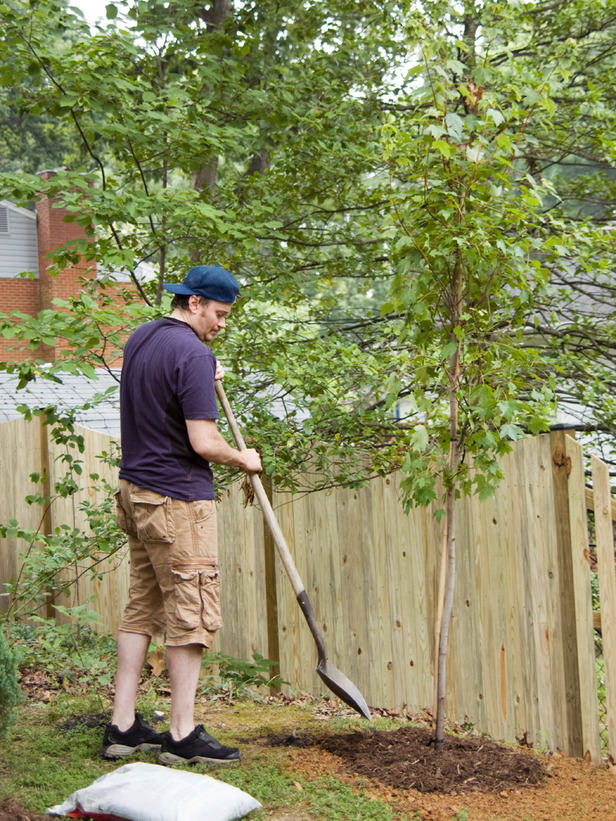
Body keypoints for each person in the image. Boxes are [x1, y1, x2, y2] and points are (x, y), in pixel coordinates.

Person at [102, 265, 262, 766]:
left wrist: (203, 373)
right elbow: (204, 442)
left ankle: (123, 727)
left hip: (136, 491)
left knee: (142, 607)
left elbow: (163, 396)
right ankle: (181, 733)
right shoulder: (193, 353)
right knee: (190, 615)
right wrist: (243, 459)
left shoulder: (142, 338)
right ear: (194, 303)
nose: (222, 324)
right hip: (177, 501)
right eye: (218, 313)